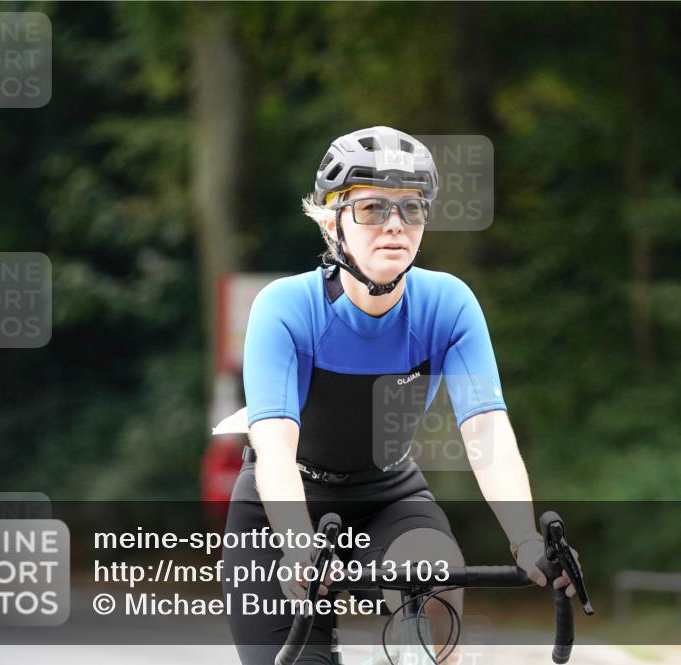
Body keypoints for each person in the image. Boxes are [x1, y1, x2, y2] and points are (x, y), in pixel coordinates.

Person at [222, 126, 576, 665]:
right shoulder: (285, 308)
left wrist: (526, 542)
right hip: (283, 505)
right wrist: (298, 545)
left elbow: (487, 436)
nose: (395, 225)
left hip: (388, 496)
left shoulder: (448, 304)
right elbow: (275, 452)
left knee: (435, 577)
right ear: (332, 220)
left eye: (411, 209)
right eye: (371, 208)